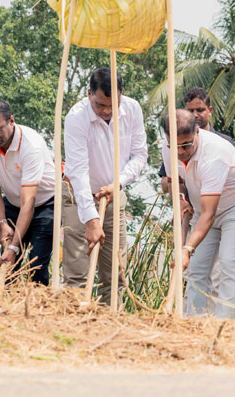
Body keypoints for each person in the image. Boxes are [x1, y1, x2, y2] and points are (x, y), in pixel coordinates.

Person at [162, 110, 235, 318]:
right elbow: (177, 182)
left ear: (197, 132)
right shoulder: (167, 147)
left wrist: (187, 248)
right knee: (196, 268)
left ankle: (226, 327)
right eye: (176, 146)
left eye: (187, 145)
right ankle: (195, 322)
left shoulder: (214, 154)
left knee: (229, 263)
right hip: (204, 207)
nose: (181, 152)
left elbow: (208, 215)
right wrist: (181, 200)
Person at [64, 67, 147, 301]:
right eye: (101, 105)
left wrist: (118, 183)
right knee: (78, 275)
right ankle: (74, 329)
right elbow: (79, 171)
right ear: (89, 94)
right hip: (77, 197)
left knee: (115, 273)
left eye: (113, 104)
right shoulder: (75, 118)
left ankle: (110, 326)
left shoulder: (132, 109)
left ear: (121, 94)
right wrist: (90, 219)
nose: (107, 111)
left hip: (113, 196)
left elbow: (140, 155)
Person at [0, 99, 58, 285]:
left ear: (11, 121)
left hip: (44, 204)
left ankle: (38, 308)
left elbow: (28, 201)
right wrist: (3, 223)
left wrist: (14, 246)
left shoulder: (31, 145)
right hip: (13, 203)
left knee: (35, 266)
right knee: (8, 266)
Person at [159, 87, 235, 193]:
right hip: (189, 206)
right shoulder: (174, 144)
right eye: (190, 111)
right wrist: (182, 181)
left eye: (200, 110)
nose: (195, 115)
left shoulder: (225, 142)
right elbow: (165, 183)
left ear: (210, 110)